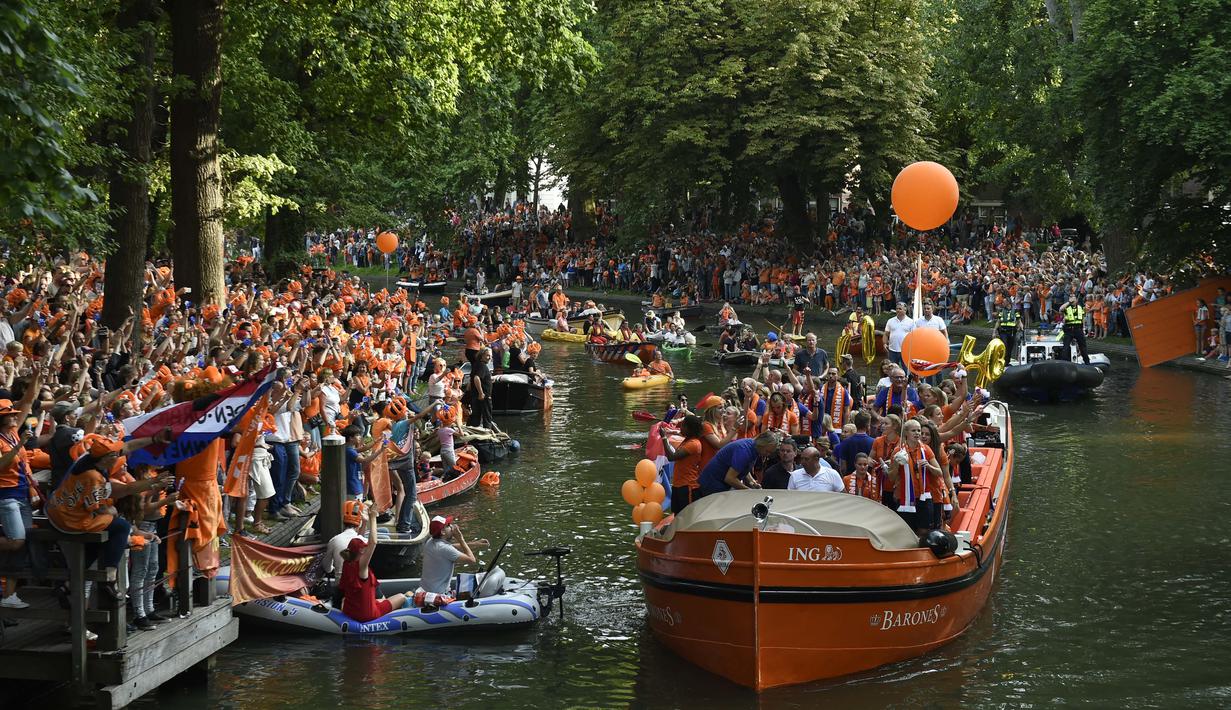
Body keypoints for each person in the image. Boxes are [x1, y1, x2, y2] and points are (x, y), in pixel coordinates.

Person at [337, 506, 408, 621]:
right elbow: (373, 542)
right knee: (401, 597)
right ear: (361, 551)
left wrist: (365, 522)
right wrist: (373, 518)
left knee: (347, 600)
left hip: (350, 610)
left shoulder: (347, 562)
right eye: (365, 547)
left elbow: (358, 539)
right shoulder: (362, 566)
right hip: (368, 614)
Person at [887, 419, 944, 535]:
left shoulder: (926, 449)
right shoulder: (898, 451)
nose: (917, 433)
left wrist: (928, 466)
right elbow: (891, 478)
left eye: (919, 430)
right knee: (908, 532)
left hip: (923, 497)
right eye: (914, 430)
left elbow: (939, 472)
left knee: (924, 530)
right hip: (904, 497)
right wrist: (897, 464)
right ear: (906, 433)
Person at [419, 514, 488, 597]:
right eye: (448, 525)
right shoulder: (444, 548)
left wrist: (475, 544)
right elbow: (472, 559)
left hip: (427, 591)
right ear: (443, 532)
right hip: (439, 595)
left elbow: (451, 547)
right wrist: (461, 538)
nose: (452, 526)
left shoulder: (431, 541)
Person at [697, 432, 779, 497]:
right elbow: (729, 478)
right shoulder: (744, 451)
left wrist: (752, 482)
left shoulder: (754, 448)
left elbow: (743, 467)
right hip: (713, 484)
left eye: (770, 453)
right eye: (767, 451)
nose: (767, 455)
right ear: (761, 444)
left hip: (721, 484)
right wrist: (749, 491)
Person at [662, 415, 704, 513]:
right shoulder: (687, 440)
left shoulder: (694, 444)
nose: (681, 427)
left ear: (690, 428)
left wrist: (664, 437)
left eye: (683, 425)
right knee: (677, 515)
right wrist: (670, 432)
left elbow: (672, 457)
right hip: (678, 485)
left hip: (688, 486)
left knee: (686, 515)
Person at [324, 499, 367, 577]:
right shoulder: (364, 542)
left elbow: (327, 567)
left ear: (343, 522)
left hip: (340, 583)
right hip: (358, 583)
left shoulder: (333, 540)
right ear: (359, 524)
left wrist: (333, 569)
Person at [834, 410, 875, 475]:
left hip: (850, 480)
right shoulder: (874, 442)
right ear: (868, 426)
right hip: (868, 481)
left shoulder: (845, 442)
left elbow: (843, 467)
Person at [466, 347, 496, 431]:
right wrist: (481, 393)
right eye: (488, 356)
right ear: (482, 355)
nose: (490, 358)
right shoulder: (482, 366)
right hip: (483, 397)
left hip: (475, 396)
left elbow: (471, 380)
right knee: (487, 417)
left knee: (476, 416)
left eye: (491, 356)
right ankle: (487, 434)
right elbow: (476, 378)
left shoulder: (476, 365)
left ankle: (474, 432)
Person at [1060, 293, 1090, 364]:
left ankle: (1087, 362)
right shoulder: (1066, 307)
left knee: (1083, 347)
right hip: (1069, 330)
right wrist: (1069, 302)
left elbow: (1086, 311)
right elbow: (1060, 309)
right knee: (1066, 347)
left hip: (1078, 329)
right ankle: (1064, 362)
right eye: (1070, 297)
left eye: (1073, 297)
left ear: (1076, 299)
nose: (1072, 298)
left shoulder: (1080, 307)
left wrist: (1084, 328)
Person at [884, 303, 915, 368]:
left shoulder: (911, 322)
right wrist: (885, 343)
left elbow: (914, 336)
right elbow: (886, 334)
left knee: (906, 370)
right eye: (897, 309)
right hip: (892, 350)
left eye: (900, 309)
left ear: (905, 310)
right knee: (892, 370)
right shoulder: (890, 321)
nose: (898, 310)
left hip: (905, 351)